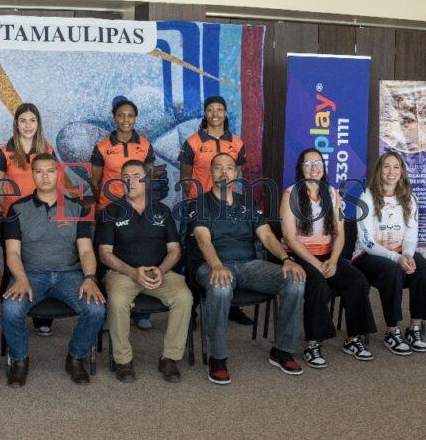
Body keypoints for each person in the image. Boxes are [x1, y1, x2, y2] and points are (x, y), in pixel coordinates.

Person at [192, 153, 306, 385]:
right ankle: (218, 357)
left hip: (249, 265)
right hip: (213, 265)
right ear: (211, 172)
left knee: (294, 279)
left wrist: (286, 259)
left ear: (236, 174)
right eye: (218, 167)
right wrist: (217, 266)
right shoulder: (201, 203)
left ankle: (282, 350)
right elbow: (203, 240)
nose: (224, 172)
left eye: (229, 168)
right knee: (221, 287)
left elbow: (266, 235)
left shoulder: (246, 202)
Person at [1, 153, 106, 387]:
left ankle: (75, 358)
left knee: (96, 309)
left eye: (50, 171)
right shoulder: (17, 209)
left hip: (69, 275)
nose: (45, 176)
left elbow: (87, 252)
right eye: (39, 171)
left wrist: (90, 278)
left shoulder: (76, 207)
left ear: (58, 174)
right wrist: (19, 278)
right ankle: (19, 360)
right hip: (30, 274)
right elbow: (13, 253)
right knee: (10, 309)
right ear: (33, 175)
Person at [96, 160, 191, 382]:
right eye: (126, 177)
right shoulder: (111, 211)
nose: (131, 182)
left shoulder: (162, 210)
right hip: (122, 274)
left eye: (137, 176)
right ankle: (123, 361)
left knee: (184, 297)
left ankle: (169, 358)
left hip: (160, 272)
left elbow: (175, 250)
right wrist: (132, 272)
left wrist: (161, 269)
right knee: (118, 301)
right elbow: (104, 253)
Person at [281, 148, 376, 368]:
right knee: (318, 285)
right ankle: (313, 343)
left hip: (327, 255)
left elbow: (340, 234)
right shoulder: (290, 195)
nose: (313, 168)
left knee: (357, 281)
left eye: (318, 163)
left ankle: (353, 339)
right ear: (300, 168)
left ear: (324, 168)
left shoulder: (334, 194)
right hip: (301, 256)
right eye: (308, 164)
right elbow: (289, 237)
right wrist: (315, 264)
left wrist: (333, 261)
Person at [353, 151, 426, 355]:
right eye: (386, 166)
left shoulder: (409, 198)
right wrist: (397, 257)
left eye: (396, 167)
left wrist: (408, 254)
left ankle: (414, 328)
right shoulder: (366, 197)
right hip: (367, 256)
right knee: (392, 272)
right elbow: (366, 242)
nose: (391, 171)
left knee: (425, 271)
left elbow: (411, 235)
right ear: (379, 170)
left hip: (400, 252)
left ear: (401, 172)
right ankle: (392, 331)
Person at [178, 95, 254, 327]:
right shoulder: (192, 142)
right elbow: (184, 177)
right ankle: (190, 309)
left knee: (229, 251)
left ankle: (232, 306)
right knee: (193, 256)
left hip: (227, 206)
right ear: (205, 113)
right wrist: (195, 201)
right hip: (199, 206)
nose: (215, 114)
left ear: (225, 113)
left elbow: (236, 174)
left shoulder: (236, 143)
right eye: (210, 110)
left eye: (219, 109)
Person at [89, 96, 157, 331]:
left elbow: (147, 178)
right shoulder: (102, 147)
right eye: (121, 115)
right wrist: (106, 203)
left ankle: (142, 311)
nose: (125, 119)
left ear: (135, 118)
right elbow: (95, 180)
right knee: (107, 258)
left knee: (144, 252)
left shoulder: (145, 145)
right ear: (114, 118)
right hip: (111, 210)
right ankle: (109, 310)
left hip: (139, 208)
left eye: (130, 115)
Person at [0, 103, 56, 338]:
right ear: (16, 123)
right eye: (23, 120)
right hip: (15, 218)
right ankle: (9, 314)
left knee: (42, 261)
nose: (28, 125)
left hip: (42, 216)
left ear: (38, 124)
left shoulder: (47, 149)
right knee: (13, 264)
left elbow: (53, 182)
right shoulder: (5, 151)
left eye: (32, 120)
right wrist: (9, 211)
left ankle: (43, 319)